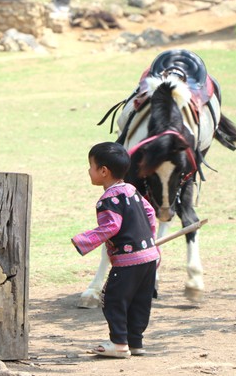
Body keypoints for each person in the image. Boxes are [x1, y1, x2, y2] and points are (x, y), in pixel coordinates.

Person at [71, 142, 159, 358]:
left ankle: (119, 343)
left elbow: (111, 227)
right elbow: (150, 213)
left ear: (103, 171)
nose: (88, 170)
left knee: (113, 298)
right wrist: (150, 240)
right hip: (148, 257)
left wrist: (83, 240)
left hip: (128, 261)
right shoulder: (131, 190)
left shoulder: (108, 199)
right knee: (140, 300)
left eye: (90, 166)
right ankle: (135, 342)